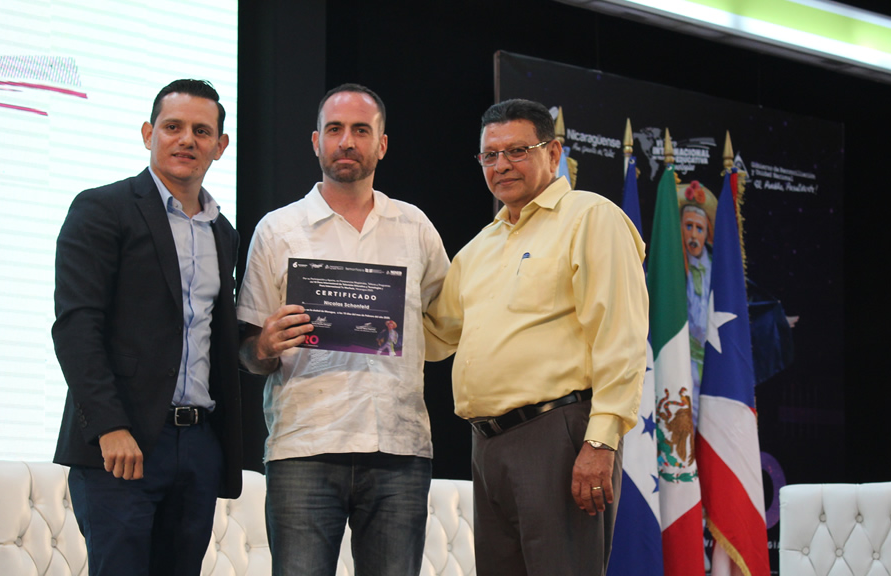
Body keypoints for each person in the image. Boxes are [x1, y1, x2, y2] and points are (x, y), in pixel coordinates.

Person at [424, 99, 648, 576]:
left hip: (559, 437)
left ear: (554, 152)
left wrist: (601, 442)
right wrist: (350, 315)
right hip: (487, 446)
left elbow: (621, 336)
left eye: (517, 150)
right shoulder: (478, 248)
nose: (502, 164)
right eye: (490, 155)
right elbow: (434, 337)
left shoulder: (590, 217)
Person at [236, 83, 449, 576]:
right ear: (316, 141)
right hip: (305, 447)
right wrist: (265, 345)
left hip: (399, 448)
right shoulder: (277, 230)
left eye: (360, 130)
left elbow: (447, 320)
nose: (347, 141)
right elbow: (247, 351)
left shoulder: (415, 227)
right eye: (335, 130)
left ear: (382, 144)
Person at [52, 79, 243, 576]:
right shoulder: (102, 209)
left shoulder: (224, 232)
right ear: (147, 133)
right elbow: (76, 326)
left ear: (220, 147)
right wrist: (110, 426)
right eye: (172, 127)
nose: (187, 140)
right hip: (124, 444)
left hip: (199, 444)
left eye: (202, 131)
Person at [678, 180, 717, 397]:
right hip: (681, 362)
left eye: (699, 228)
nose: (693, 235)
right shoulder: (674, 266)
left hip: (713, 362)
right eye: (689, 226)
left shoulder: (717, 269)